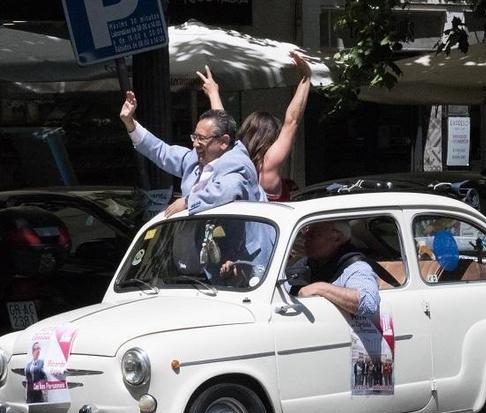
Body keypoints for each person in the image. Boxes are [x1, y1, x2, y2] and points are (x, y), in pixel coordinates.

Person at [119, 90, 266, 217]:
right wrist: (130, 123)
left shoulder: (237, 164)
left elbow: (228, 189)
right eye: (195, 137)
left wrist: (188, 201)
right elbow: (161, 151)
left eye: (201, 138)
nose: (195, 144)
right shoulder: (194, 158)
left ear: (223, 142)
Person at [198, 51, 312, 201]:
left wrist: (213, 93)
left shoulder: (233, 159)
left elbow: (222, 124)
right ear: (272, 139)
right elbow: (291, 122)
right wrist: (306, 78)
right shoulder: (267, 167)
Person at [286, 220, 380, 317]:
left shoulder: (356, 267)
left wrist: (321, 288)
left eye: (315, 234)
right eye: (307, 231)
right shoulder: (306, 263)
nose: (306, 237)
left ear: (337, 238)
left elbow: (369, 304)